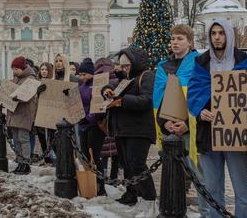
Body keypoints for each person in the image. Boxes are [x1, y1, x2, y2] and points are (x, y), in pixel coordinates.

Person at [187, 19, 247, 218]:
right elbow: (194, 92)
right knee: (213, 187)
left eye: (221, 33)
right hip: (208, 132)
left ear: (229, 34)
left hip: (235, 132)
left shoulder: (245, 60)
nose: (217, 37)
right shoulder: (201, 63)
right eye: (213, 33)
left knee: (240, 186)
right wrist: (201, 111)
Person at [153, 24, 206, 217]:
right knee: (173, 174)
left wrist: (187, 122)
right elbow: (158, 98)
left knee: (199, 176)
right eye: (173, 38)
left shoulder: (199, 63)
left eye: (180, 39)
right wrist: (164, 122)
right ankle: (176, 209)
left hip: (191, 127)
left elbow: (201, 96)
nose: (175, 42)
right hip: (169, 129)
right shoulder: (163, 67)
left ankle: (205, 212)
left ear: (190, 42)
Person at [101, 47, 156, 206]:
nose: (123, 69)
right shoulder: (124, 79)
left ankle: (148, 198)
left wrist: (122, 102)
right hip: (122, 129)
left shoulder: (146, 76)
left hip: (138, 130)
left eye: (126, 66)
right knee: (126, 165)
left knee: (137, 164)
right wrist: (107, 91)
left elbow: (146, 99)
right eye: (121, 66)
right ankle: (131, 194)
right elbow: (111, 86)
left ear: (135, 63)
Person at [77, 57, 106, 196]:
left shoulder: (97, 85)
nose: (82, 77)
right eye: (80, 75)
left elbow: (98, 105)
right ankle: (89, 184)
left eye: (84, 74)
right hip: (83, 125)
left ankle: (101, 186)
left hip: (93, 125)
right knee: (85, 155)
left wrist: (87, 118)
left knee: (96, 155)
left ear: (91, 73)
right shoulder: (81, 86)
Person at [7, 56, 40, 175]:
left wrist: (15, 96)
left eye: (16, 69)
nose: (14, 71)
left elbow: (28, 95)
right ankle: (20, 162)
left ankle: (26, 164)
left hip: (24, 112)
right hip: (14, 112)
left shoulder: (31, 78)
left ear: (22, 68)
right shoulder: (16, 78)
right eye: (13, 69)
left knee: (23, 139)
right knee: (16, 139)